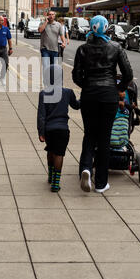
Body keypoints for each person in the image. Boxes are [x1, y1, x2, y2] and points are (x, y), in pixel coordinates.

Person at [72, 15, 133, 194]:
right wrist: (118, 89)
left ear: (91, 28)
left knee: (89, 134)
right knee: (104, 137)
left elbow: (76, 76)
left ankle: (85, 169)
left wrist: (88, 86)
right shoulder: (116, 47)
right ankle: (101, 183)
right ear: (106, 28)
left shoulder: (82, 49)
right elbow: (128, 74)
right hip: (109, 96)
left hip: (89, 95)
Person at [38, 64, 81, 192]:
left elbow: (41, 115)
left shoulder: (43, 94)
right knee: (59, 154)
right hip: (63, 129)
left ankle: (50, 175)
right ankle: (56, 183)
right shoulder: (68, 92)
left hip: (49, 129)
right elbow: (77, 106)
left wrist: (41, 132)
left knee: (50, 150)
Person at [39, 11, 66, 77]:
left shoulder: (58, 25)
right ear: (47, 16)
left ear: (54, 16)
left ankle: (51, 82)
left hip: (55, 49)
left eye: (52, 14)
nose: (51, 16)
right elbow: (40, 30)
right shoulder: (42, 23)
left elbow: (62, 35)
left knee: (53, 68)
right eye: (49, 15)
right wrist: (46, 22)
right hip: (45, 49)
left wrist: (64, 42)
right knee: (46, 66)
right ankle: (46, 82)